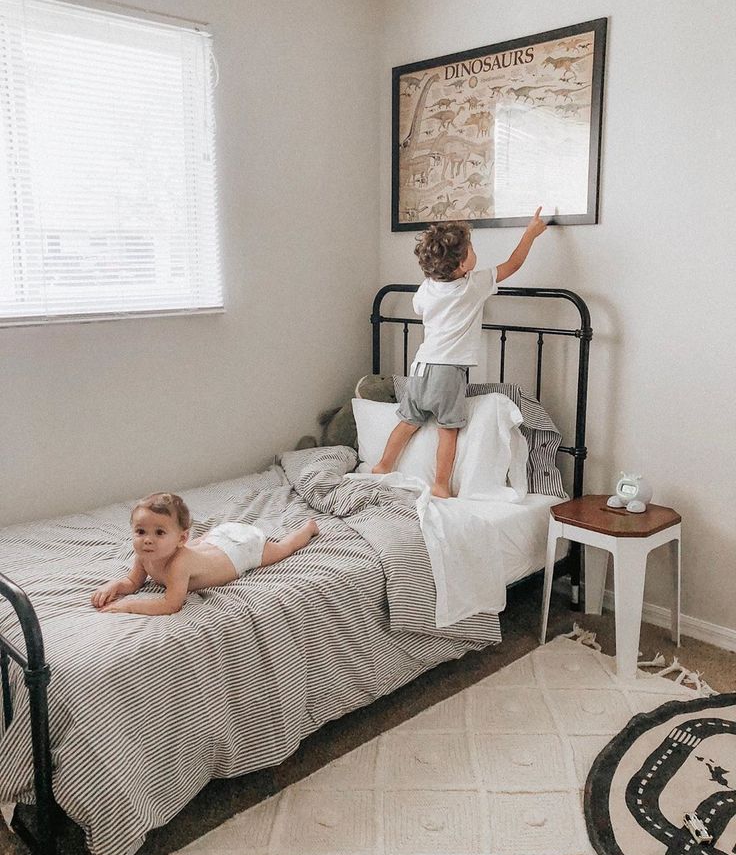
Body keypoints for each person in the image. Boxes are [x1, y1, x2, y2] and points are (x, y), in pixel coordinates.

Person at [372, 208, 548, 497]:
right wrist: (530, 233)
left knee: (407, 421)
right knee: (448, 430)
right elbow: (512, 265)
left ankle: (382, 465)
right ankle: (440, 484)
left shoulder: (427, 287)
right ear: (463, 264)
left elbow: (418, 308)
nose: (474, 251)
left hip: (419, 367)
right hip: (448, 372)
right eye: (471, 248)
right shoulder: (472, 285)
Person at [91, 492, 319, 615]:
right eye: (140, 531)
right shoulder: (145, 554)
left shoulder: (179, 564)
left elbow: (171, 605)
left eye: (159, 532)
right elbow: (132, 581)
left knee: (282, 549)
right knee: (202, 546)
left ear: (181, 538)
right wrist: (114, 587)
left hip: (240, 549)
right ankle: (201, 539)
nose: (147, 539)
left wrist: (128, 605)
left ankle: (308, 528)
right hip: (215, 539)